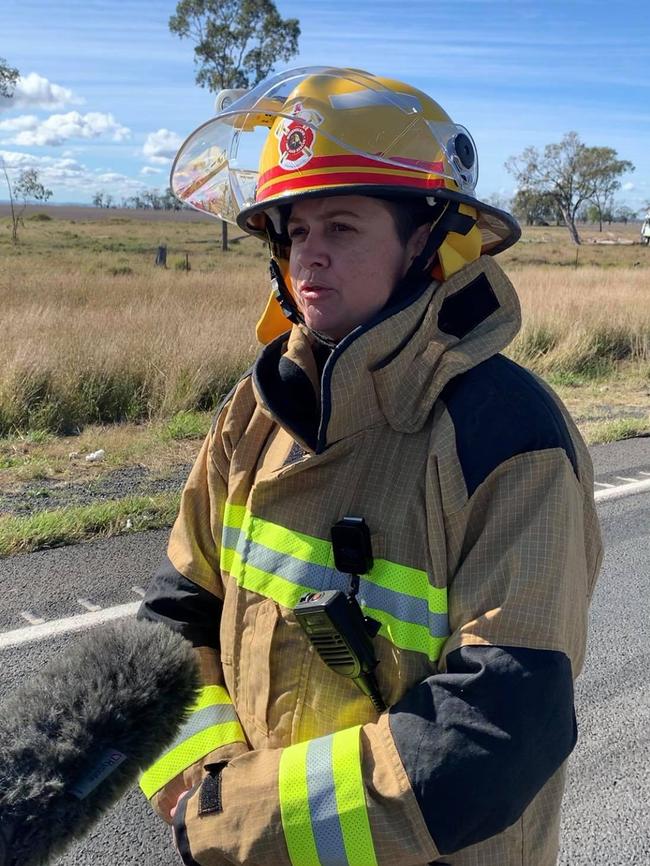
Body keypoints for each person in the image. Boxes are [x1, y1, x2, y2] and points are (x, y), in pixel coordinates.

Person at [137, 67, 602, 866]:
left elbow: (496, 733)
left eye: (342, 227)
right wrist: (203, 786)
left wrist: (234, 818)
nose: (307, 259)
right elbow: (177, 613)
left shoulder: (504, 433)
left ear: (426, 241)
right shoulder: (254, 411)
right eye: (294, 231)